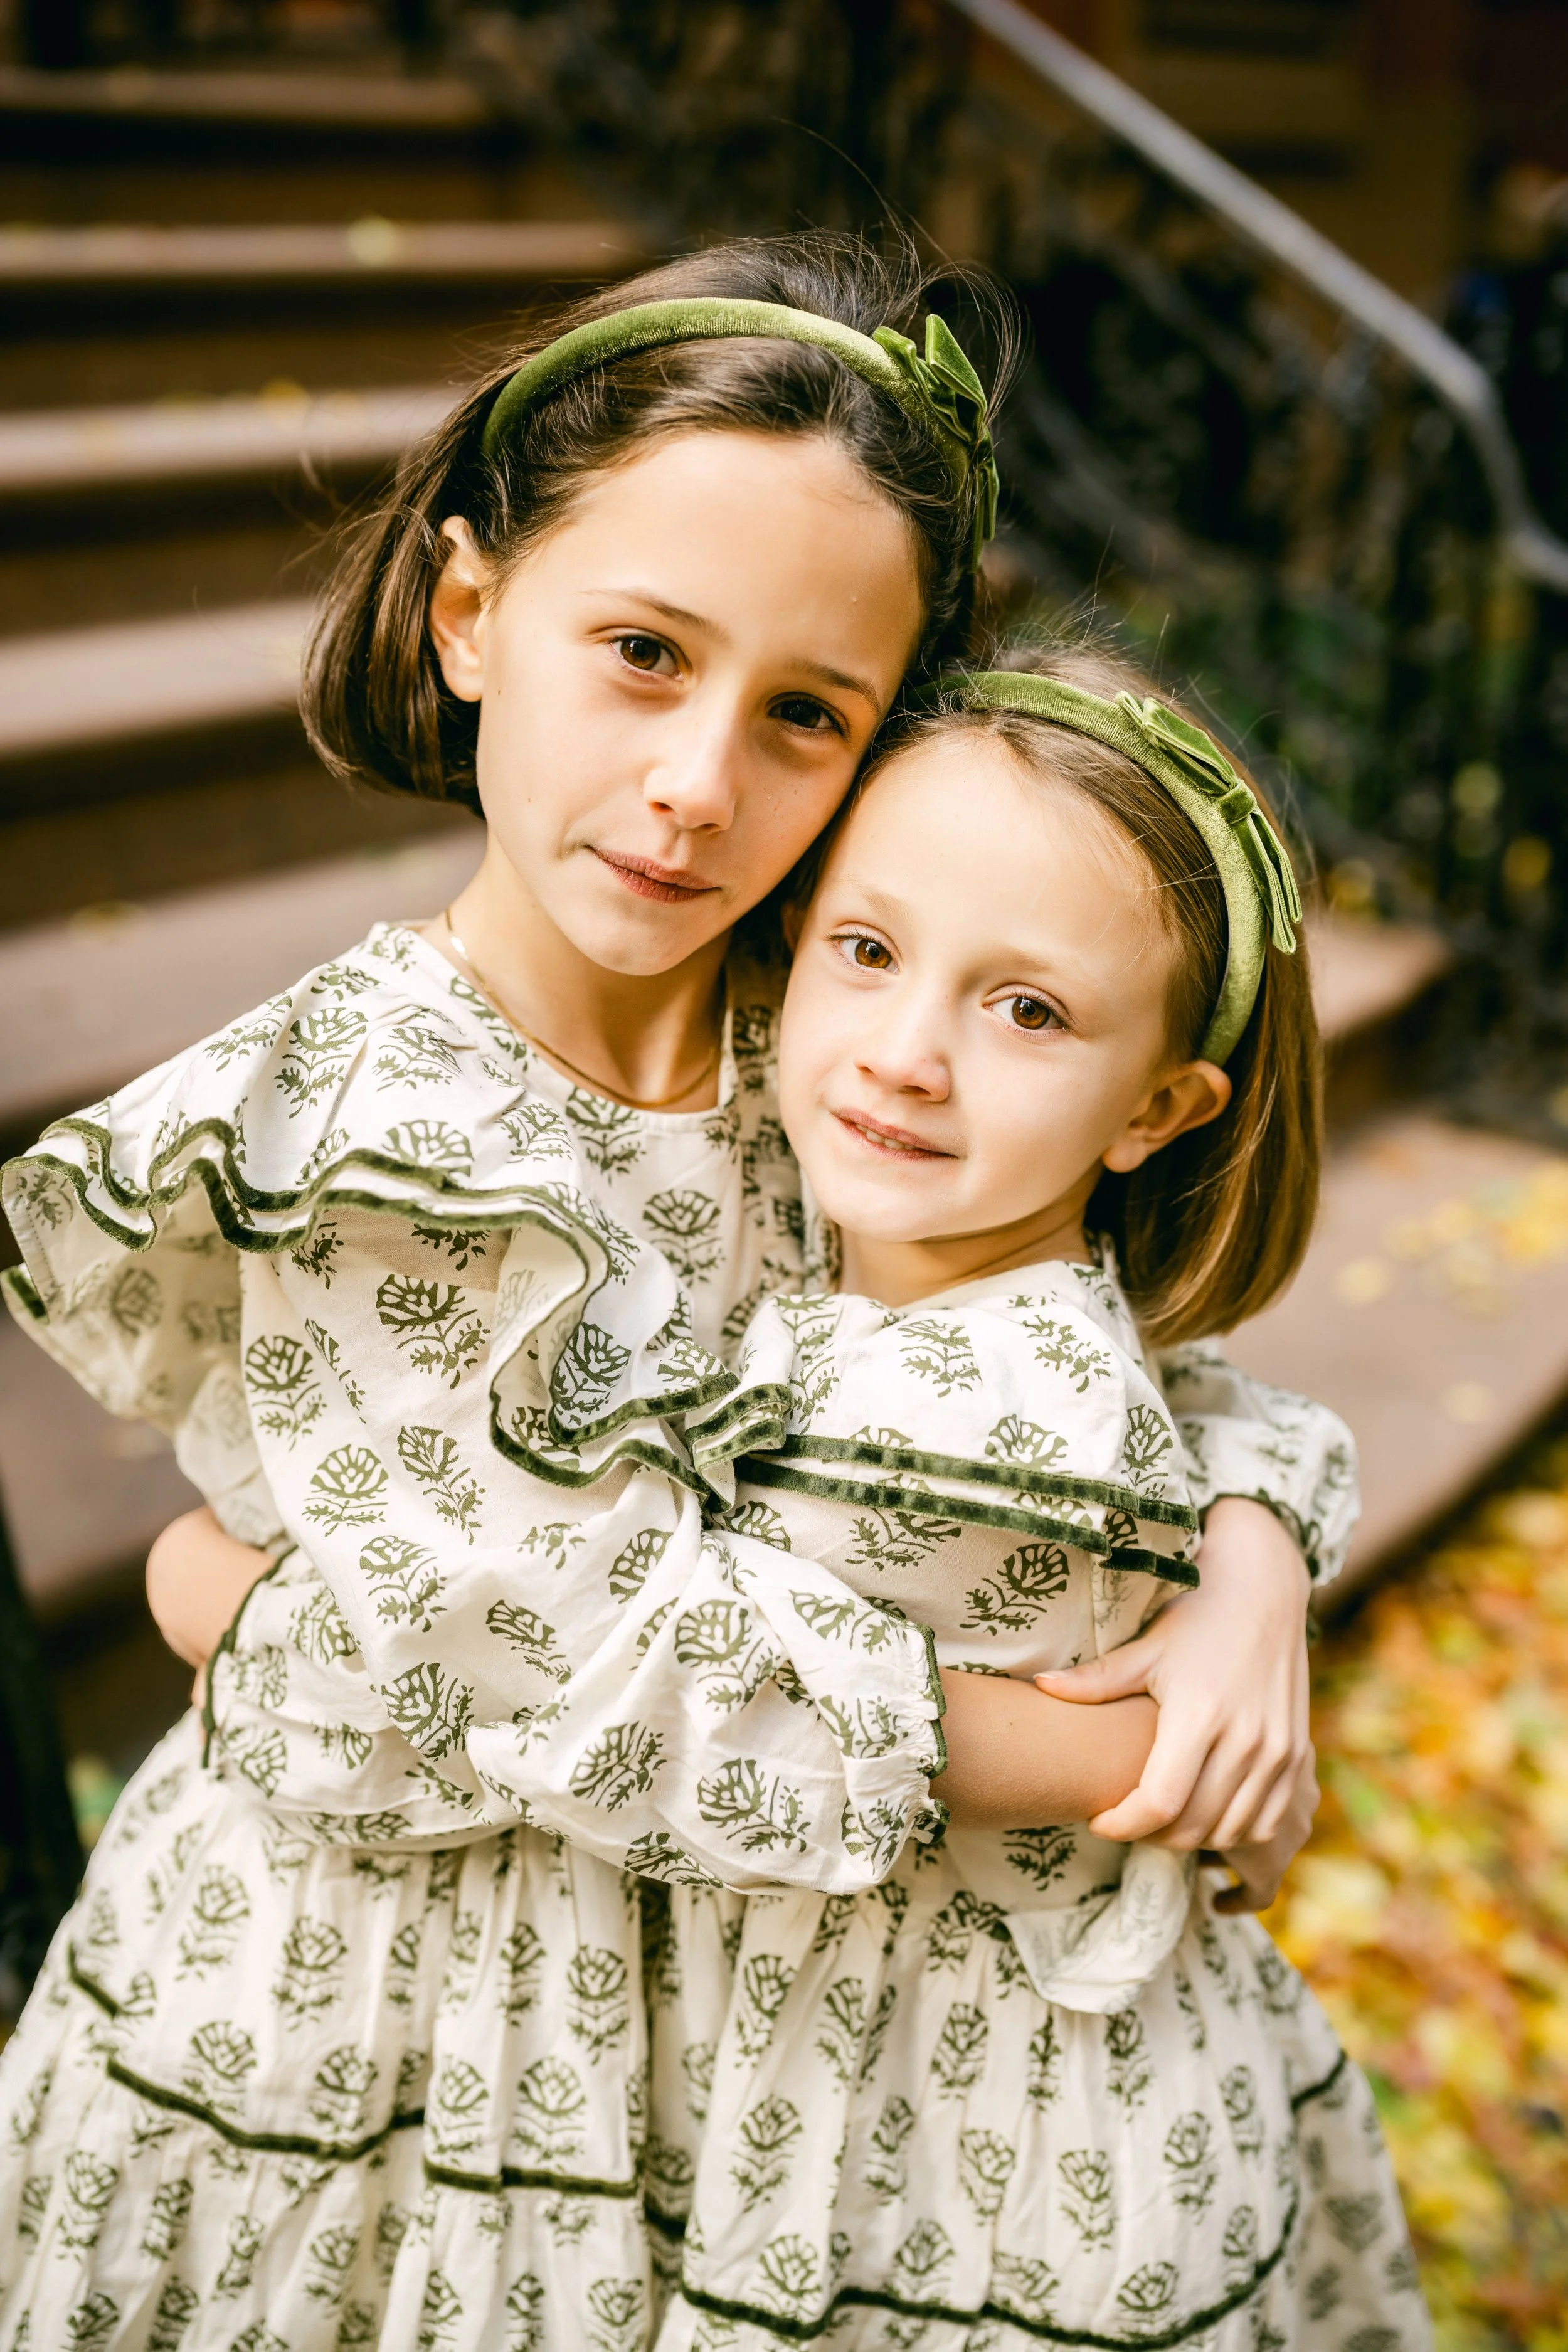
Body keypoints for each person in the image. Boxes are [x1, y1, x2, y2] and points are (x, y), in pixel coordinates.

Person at [0, 238, 1347, 2349]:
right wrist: (1118, 1751)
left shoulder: (822, 1026)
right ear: (468, 614)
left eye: (800, 713)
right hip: (402, 2038)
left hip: (761, 2057)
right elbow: (594, 1677)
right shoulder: (381, 1130)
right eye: (641, 649)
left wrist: (1249, 1554)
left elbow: (1073, 1357)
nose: (700, 781)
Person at [629, 638, 1424, 2346]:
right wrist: (1255, 1542)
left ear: (1155, 1107)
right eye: (866, 950)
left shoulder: (986, 1414)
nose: (907, 1050)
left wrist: (232, 1584)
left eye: (1026, 1007)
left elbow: (656, 1697)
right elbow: (1219, 1405)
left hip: (954, 2149)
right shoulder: (898, 1249)